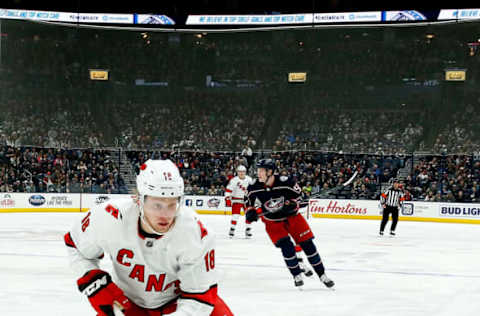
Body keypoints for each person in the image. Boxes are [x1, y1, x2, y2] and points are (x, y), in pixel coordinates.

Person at [64, 159, 233, 316]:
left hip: (177, 303)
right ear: (139, 199)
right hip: (126, 305)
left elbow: (199, 299)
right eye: (157, 205)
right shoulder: (109, 218)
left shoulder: (195, 233)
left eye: (172, 204)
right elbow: (76, 245)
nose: (165, 215)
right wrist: (93, 280)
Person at [244, 158, 334, 289]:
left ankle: (322, 275)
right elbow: (248, 203)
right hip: (272, 222)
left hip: (293, 218)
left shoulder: (286, 182)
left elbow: (302, 199)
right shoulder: (253, 186)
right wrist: (250, 212)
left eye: (261, 171)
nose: (258, 173)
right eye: (258, 170)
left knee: (308, 245)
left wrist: (293, 204)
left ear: (270, 172)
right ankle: (296, 275)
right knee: (287, 248)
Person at [225, 165, 253, 238]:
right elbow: (228, 190)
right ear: (237, 172)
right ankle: (232, 229)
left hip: (246, 200)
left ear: (245, 172)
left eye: (243, 172)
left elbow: (253, 190)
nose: (241, 173)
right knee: (235, 215)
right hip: (236, 199)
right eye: (240, 172)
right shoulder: (234, 180)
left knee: (249, 216)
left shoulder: (249, 179)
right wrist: (227, 198)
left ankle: (248, 230)